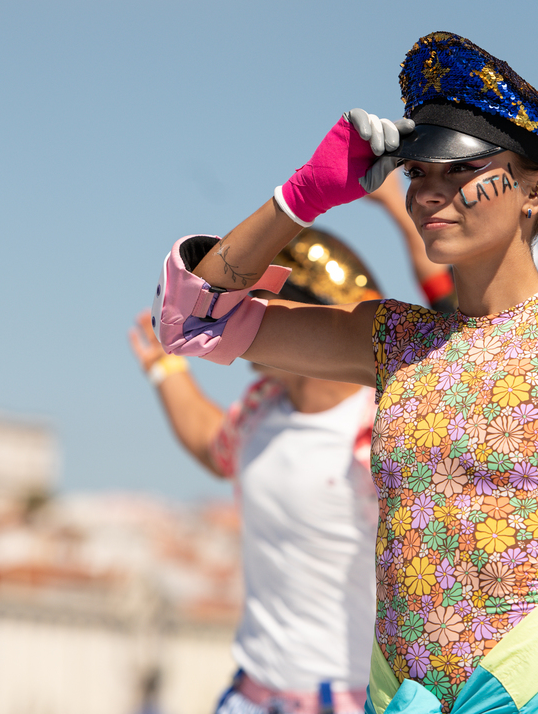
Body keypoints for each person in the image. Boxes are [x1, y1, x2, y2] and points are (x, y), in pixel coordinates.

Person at [149, 32, 538, 714]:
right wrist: (305, 194)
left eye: (460, 171)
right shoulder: (394, 339)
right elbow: (191, 322)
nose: (430, 194)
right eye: (418, 174)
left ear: (536, 188)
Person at [130, 228, 384, 714]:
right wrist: (166, 372)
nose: (235, 325)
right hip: (249, 696)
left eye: (251, 306)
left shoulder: (380, 428)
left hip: (345, 702)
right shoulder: (260, 408)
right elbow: (212, 444)